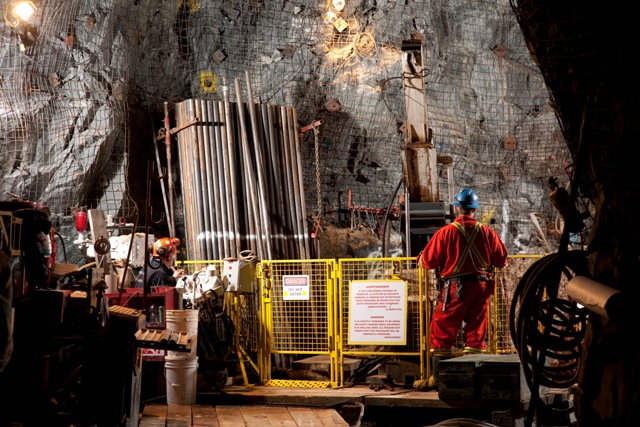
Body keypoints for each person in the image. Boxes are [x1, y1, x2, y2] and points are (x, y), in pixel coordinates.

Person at [417, 188, 508, 355]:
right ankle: (474, 371)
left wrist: (421, 257)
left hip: (456, 289)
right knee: (476, 332)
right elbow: (502, 260)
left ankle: (440, 374)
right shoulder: (488, 232)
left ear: (457, 208)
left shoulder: (446, 232)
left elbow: (428, 262)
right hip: (481, 287)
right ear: (474, 209)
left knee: (443, 329)